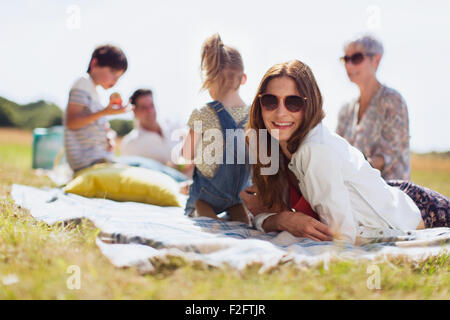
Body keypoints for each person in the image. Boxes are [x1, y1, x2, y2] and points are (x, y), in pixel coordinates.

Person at [242, 60, 449, 245]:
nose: (280, 112)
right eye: (270, 101)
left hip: (421, 212)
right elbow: (263, 214)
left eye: (293, 102)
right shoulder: (270, 146)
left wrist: (281, 219)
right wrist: (280, 218)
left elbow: (342, 237)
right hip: (390, 193)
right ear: (259, 105)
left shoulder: (314, 152)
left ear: (309, 104)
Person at [181, 33, 251, 223]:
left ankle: (207, 218)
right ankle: (241, 221)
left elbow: (187, 154)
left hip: (207, 194)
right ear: (243, 78)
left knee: (203, 211)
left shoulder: (202, 113)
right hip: (240, 194)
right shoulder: (255, 116)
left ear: (210, 79)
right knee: (242, 222)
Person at [336, 35, 410, 180]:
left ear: (376, 60)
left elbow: (388, 156)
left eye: (356, 58)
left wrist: (352, 169)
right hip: (354, 192)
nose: (349, 65)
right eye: (346, 59)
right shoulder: (346, 110)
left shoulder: (392, 101)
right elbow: (335, 150)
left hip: (390, 194)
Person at [64, 44, 130, 173]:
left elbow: (95, 125)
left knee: (142, 164)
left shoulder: (95, 93)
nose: (115, 80)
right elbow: (72, 122)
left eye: (118, 77)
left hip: (99, 159)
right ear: (95, 64)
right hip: (89, 162)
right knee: (141, 165)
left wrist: (109, 136)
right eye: (113, 73)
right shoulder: (83, 83)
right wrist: (105, 112)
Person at [120, 88, 193, 178]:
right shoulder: (130, 144)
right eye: (144, 108)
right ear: (135, 112)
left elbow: (194, 145)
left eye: (152, 106)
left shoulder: (175, 124)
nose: (150, 111)